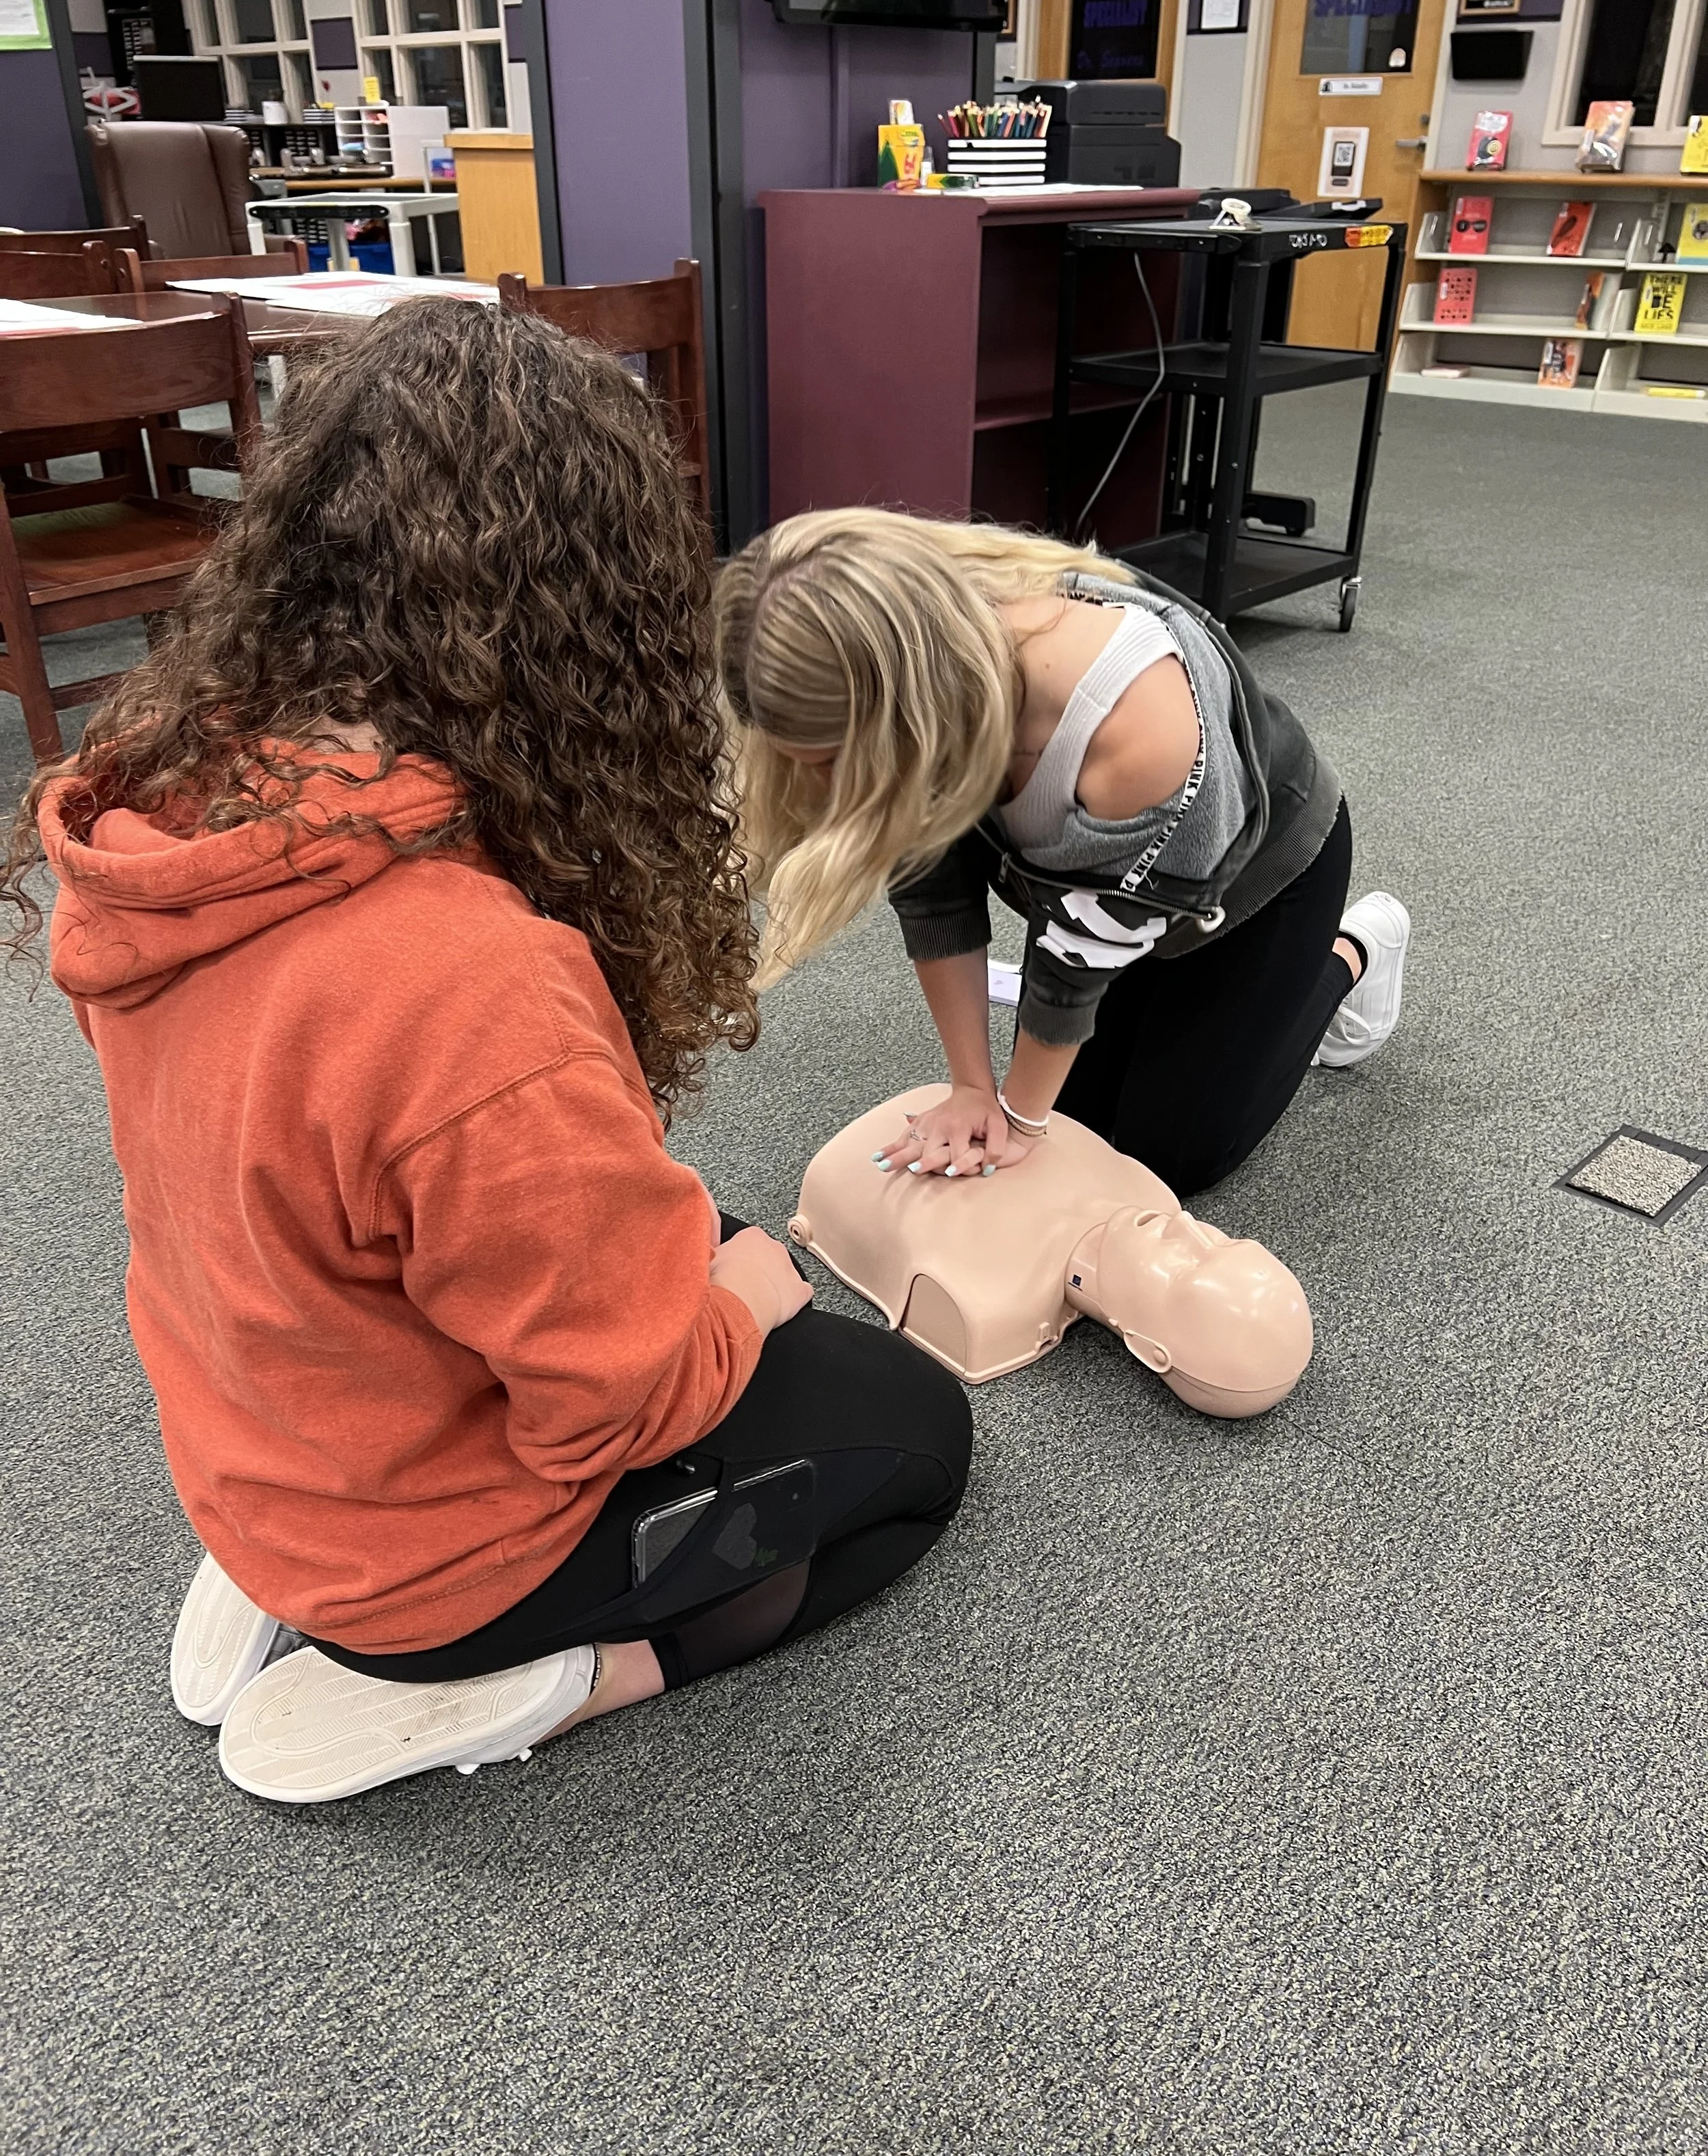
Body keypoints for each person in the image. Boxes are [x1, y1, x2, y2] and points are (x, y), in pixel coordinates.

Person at [4, 305, 970, 1806]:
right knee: (909, 1431)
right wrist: (747, 1302)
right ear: (599, 621)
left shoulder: (172, 813)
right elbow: (622, 1407)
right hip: (431, 1555)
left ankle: (296, 1564)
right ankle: (554, 1678)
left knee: (670, 1221)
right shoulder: (466, 982)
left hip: (257, 1423)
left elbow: (340, 1158)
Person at [715, 508, 1410, 1197]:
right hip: (1101, 895)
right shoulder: (922, 652)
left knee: (1168, 1155)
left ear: (907, 708)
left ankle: (1351, 954)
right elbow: (932, 886)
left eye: (831, 761)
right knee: (1080, 1124)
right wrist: (970, 1088)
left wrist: (1016, 1120)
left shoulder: (1135, 729)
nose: (824, 790)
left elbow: (1070, 973)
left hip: (1256, 886)